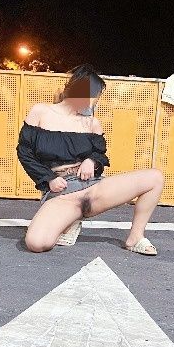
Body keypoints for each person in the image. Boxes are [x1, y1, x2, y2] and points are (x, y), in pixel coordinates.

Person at [16, 64, 164, 254]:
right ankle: (68, 222)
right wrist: (48, 178)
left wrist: (91, 161)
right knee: (36, 243)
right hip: (61, 194)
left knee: (155, 178)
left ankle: (135, 237)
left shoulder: (92, 123)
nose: (92, 101)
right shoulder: (41, 112)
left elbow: (100, 154)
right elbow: (25, 152)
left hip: (93, 188)